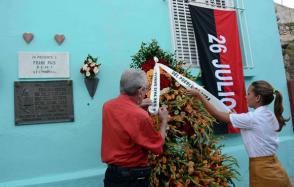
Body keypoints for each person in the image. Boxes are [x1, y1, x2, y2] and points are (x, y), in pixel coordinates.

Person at [187, 80, 291, 187]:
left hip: (263, 171)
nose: (246, 97)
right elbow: (250, 125)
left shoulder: (252, 118)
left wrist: (199, 95)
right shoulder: (269, 115)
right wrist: (235, 116)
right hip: (276, 168)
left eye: (248, 94)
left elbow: (216, 114)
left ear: (258, 98)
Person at [101, 68, 169, 187]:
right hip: (133, 178)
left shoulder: (107, 106)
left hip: (112, 175)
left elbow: (123, 109)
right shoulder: (140, 115)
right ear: (141, 91)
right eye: (145, 89)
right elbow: (157, 147)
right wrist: (164, 121)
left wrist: (138, 104)